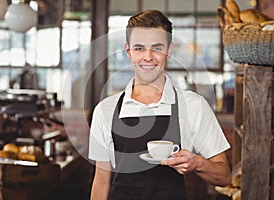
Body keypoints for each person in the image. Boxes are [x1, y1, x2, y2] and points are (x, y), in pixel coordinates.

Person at [88, 10, 231, 200]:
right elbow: (101, 182)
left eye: (157, 48)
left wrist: (197, 163)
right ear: (128, 51)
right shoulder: (105, 110)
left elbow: (224, 176)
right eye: (139, 48)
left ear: (169, 51)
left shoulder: (194, 105)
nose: (148, 57)